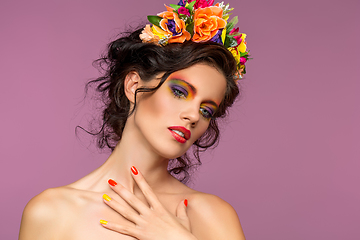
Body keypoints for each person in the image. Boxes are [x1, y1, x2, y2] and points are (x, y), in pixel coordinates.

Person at [19, 1, 250, 239]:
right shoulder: (51, 213)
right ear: (134, 85)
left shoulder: (213, 215)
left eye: (206, 111)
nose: (193, 116)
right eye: (180, 93)